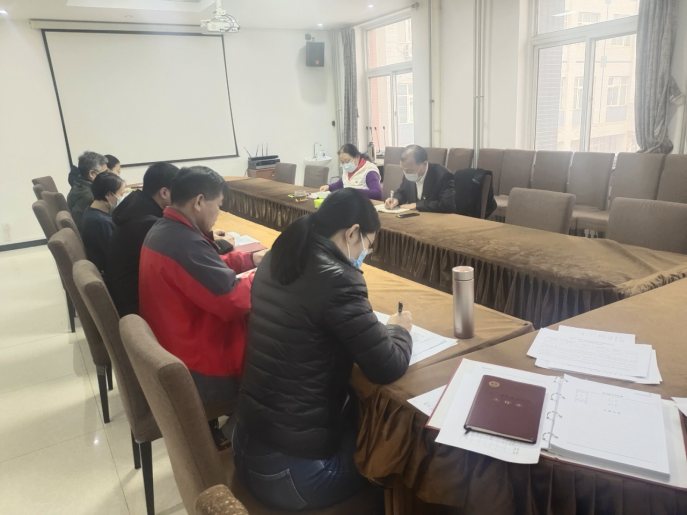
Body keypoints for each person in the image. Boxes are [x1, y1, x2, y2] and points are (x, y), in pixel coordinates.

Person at [234, 188, 414, 511]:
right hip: (291, 473)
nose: (366, 254)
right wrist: (399, 330)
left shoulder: (280, 254)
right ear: (352, 232)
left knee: (364, 429)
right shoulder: (338, 279)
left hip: (246, 443)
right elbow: (387, 366)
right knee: (398, 456)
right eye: (368, 245)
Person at [139, 166, 265, 447]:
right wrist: (266, 274)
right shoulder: (182, 242)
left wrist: (249, 260)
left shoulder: (167, 229)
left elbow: (206, 267)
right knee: (275, 361)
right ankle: (233, 437)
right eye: (218, 205)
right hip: (196, 367)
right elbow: (232, 301)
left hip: (175, 343)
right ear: (198, 201)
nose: (219, 212)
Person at [106, 162, 180, 317]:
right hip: (137, 308)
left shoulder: (136, 208)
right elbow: (181, 258)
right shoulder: (146, 223)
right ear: (164, 192)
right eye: (180, 191)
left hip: (126, 295)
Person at [384, 144, 456, 213]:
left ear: (424, 165)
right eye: (403, 170)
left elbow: (447, 205)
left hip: (436, 218)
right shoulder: (408, 172)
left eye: (409, 171)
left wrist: (417, 205)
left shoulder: (443, 175)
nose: (406, 174)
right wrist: (396, 199)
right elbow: (402, 192)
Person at [81, 172, 126, 275]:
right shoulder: (102, 223)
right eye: (121, 194)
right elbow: (118, 256)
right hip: (110, 273)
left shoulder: (90, 209)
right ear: (109, 195)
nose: (122, 198)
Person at [67, 151, 108, 230]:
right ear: (92, 174)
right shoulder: (91, 196)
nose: (108, 176)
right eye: (105, 173)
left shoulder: (78, 184)